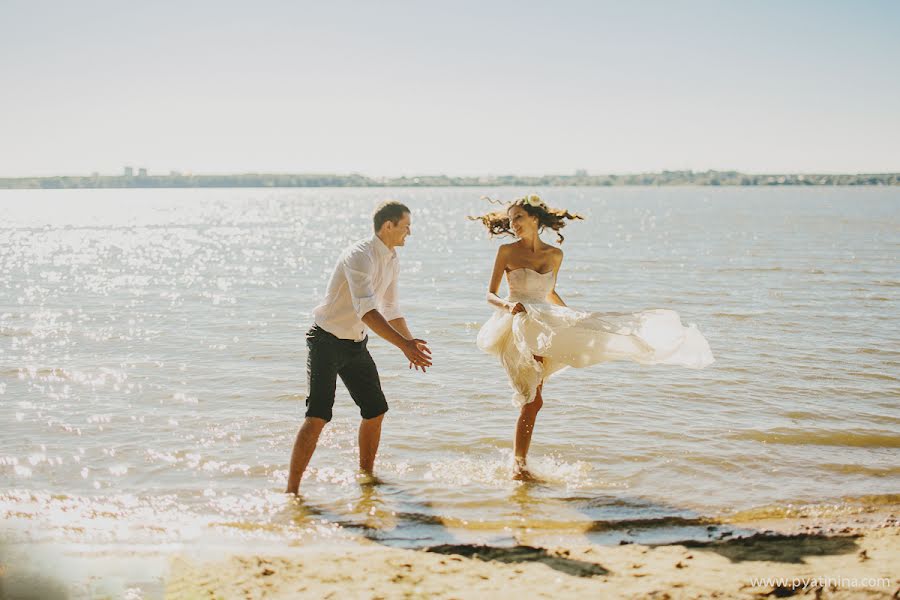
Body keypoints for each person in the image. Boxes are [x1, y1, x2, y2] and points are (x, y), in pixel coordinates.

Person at [471, 195, 714, 480]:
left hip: (544, 323)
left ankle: (519, 467)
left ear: (535, 219)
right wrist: (509, 306)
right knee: (531, 398)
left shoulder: (554, 255)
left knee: (535, 400)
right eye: (511, 219)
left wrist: (577, 318)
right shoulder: (506, 251)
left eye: (519, 217)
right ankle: (518, 468)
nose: (513, 224)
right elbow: (489, 295)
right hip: (516, 324)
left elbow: (548, 294)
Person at [286, 201, 432, 495]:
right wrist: (403, 346)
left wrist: (410, 339)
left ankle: (366, 478)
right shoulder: (359, 255)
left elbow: (390, 308)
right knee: (318, 417)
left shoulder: (392, 259)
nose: (409, 233)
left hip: (355, 345)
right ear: (388, 226)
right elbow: (367, 310)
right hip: (325, 341)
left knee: (375, 410)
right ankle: (292, 492)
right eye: (406, 226)